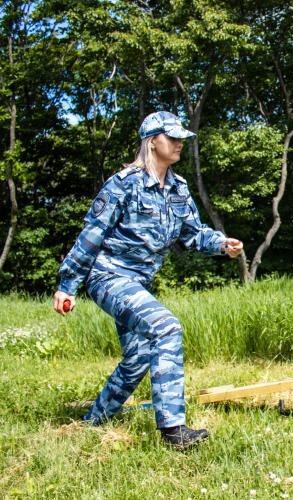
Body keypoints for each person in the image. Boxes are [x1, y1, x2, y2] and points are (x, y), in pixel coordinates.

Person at [52, 111, 243, 449]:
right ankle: (173, 430)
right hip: (107, 276)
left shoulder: (178, 189)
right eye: (172, 138)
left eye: (182, 138)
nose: (180, 143)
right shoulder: (123, 184)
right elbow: (90, 237)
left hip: (137, 283)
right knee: (166, 326)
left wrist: (221, 244)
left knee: (139, 357)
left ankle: (94, 420)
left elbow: (193, 233)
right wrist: (68, 284)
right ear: (153, 141)